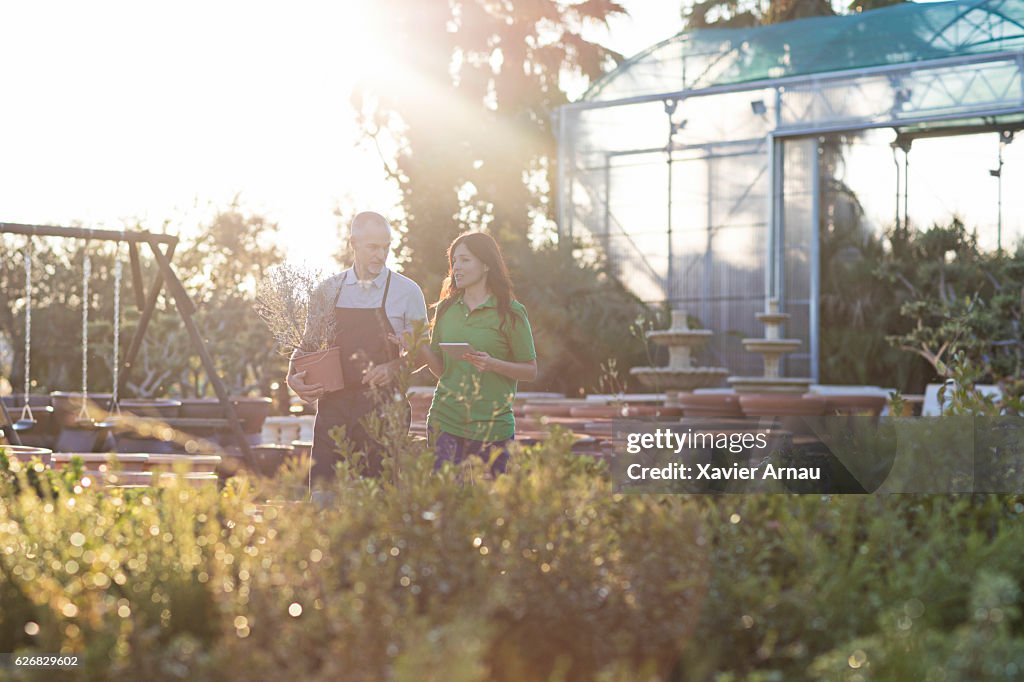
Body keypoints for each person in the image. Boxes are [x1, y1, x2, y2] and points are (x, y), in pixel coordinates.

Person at [287, 212, 428, 479]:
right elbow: (308, 345)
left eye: (386, 247)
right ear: (353, 243)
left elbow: (423, 350)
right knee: (324, 494)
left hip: (385, 409)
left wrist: (395, 366)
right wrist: (291, 375)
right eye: (373, 247)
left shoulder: (407, 292)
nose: (381, 255)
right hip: (334, 409)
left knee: (380, 497)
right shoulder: (327, 291)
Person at [404, 232, 537, 474]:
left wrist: (493, 364)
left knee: (491, 507)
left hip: (493, 427)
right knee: (445, 503)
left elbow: (530, 370)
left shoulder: (511, 312)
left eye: (465, 260)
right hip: (445, 422)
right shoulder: (446, 309)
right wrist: (417, 345)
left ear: (486, 264)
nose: (457, 267)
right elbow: (441, 370)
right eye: (454, 261)